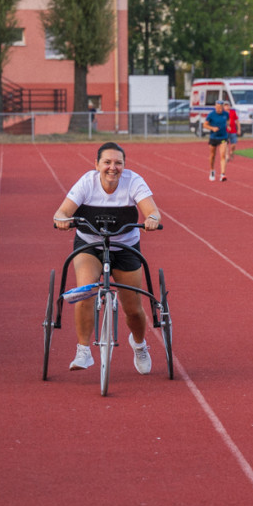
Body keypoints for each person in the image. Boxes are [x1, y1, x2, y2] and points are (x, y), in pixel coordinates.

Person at [53, 142, 162, 373]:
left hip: (125, 246)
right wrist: (61, 219)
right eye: (107, 162)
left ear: (124, 165)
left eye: (118, 163)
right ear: (97, 164)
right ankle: (83, 351)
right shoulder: (87, 182)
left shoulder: (133, 181)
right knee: (85, 291)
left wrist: (151, 218)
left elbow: (152, 210)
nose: (113, 168)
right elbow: (62, 212)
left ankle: (139, 344)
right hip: (90, 245)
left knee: (133, 308)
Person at [202, 99, 229, 181]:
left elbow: (228, 121)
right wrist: (212, 128)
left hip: (223, 137)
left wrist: (228, 126)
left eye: (221, 107)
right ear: (215, 107)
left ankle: (222, 174)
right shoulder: (211, 115)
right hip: (213, 137)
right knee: (212, 155)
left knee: (223, 155)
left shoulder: (226, 114)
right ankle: (212, 170)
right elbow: (205, 125)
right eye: (218, 107)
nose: (220, 109)